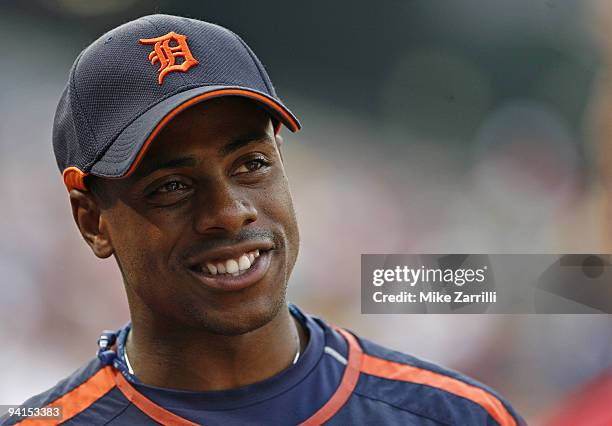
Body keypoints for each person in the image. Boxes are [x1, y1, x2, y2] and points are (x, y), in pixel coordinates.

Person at [1, 14, 524, 425]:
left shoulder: (459, 415)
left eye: (250, 165)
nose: (229, 212)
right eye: (172, 187)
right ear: (92, 221)